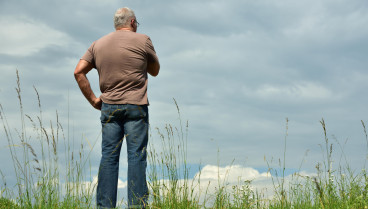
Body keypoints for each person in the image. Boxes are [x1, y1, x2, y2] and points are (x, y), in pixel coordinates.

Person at [74, 7, 160, 208]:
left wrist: (94, 100)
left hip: (109, 107)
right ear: (132, 23)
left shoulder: (98, 44)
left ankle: (105, 206)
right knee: (136, 158)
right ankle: (137, 205)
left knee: (109, 158)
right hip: (136, 107)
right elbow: (155, 71)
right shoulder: (144, 40)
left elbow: (78, 72)